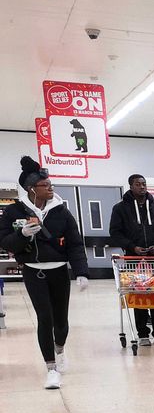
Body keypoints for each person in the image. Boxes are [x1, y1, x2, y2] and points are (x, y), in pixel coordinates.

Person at [0, 156, 89, 389]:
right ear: (32, 188)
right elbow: (5, 242)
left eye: (51, 184)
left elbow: (75, 243)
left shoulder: (61, 211)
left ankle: (60, 349)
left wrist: (81, 271)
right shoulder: (13, 212)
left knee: (61, 321)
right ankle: (51, 369)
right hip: (33, 272)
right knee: (44, 318)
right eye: (45, 185)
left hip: (59, 272)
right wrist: (22, 235)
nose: (51, 188)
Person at [110, 174, 154, 346]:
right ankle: (142, 333)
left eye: (144, 184)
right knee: (139, 295)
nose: (142, 187)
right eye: (138, 184)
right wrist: (132, 247)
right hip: (134, 259)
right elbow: (115, 233)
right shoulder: (120, 209)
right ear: (131, 186)